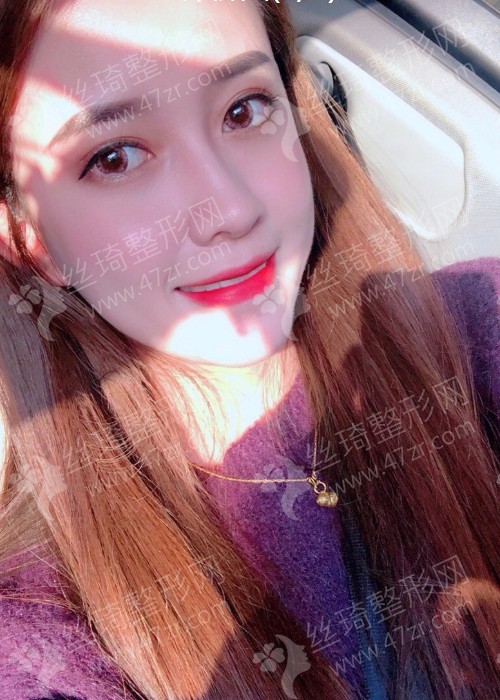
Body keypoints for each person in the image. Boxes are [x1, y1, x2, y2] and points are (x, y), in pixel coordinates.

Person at [0, 0, 498, 698]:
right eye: (114, 158)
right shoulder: (41, 640)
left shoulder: (477, 324)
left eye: (244, 110)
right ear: (29, 239)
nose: (231, 210)